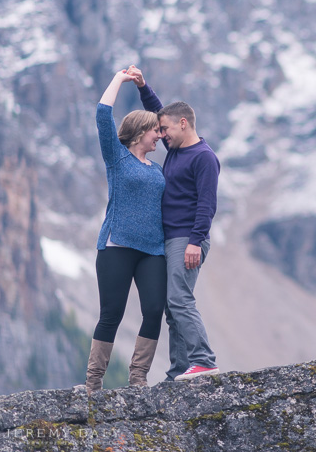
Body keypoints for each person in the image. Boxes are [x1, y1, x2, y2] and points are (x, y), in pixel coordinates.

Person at [126, 64, 221, 381]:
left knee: (179, 299)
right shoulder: (177, 148)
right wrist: (142, 86)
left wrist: (196, 240)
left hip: (188, 238)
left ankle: (203, 360)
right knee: (172, 305)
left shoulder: (203, 157)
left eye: (165, 129)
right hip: (172, 238)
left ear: (184, 124)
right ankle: (180, 369)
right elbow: (157, 111)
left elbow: (207, 203)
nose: (161, 134)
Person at [87, 69, 166, 394]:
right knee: (112, 314)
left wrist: (145, 85)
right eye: (154, 131)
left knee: (153, 310)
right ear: (139, 132)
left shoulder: (160, 168)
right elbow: (103, 113)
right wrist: (120, 79)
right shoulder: (117, 158)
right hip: (116, 246)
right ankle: (93, 384)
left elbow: (169, 120)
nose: (160, 135)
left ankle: (138, 378)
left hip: (153, 251)